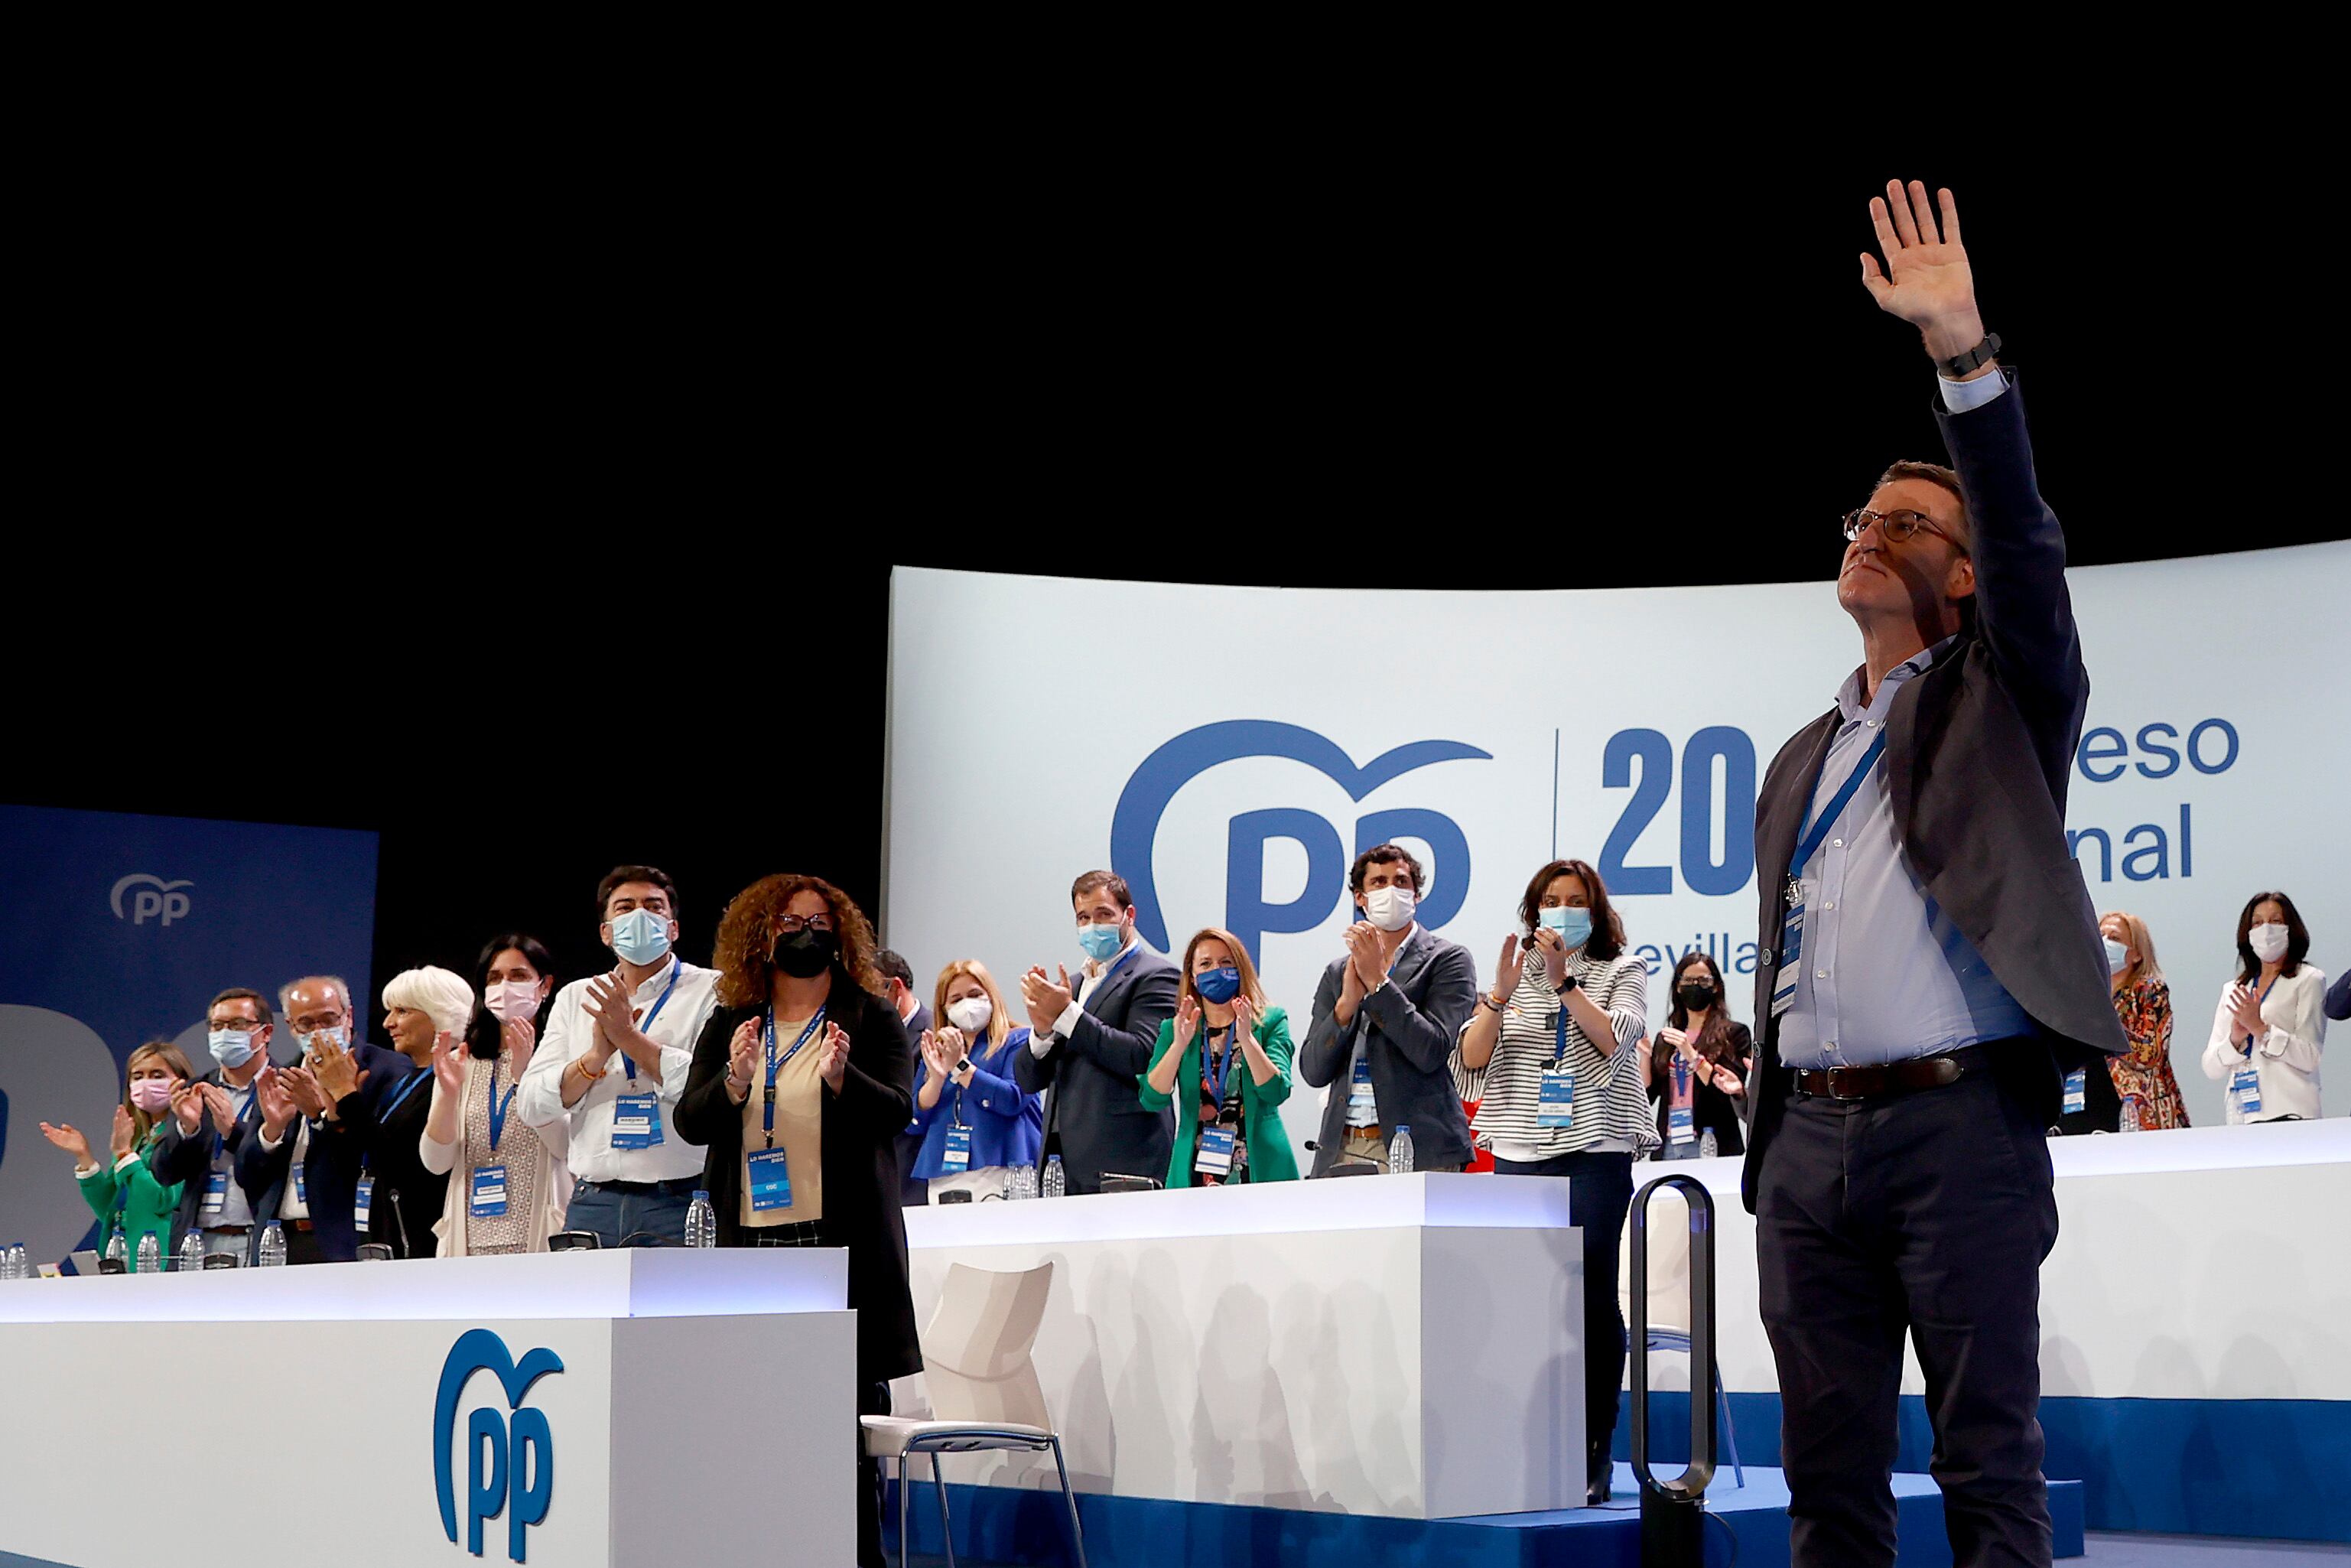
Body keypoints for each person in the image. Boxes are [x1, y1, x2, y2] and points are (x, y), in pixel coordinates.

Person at [1743, 182, 2130, 1568]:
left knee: (1984, 1473)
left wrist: (1962, 359)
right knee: (1824, 1491)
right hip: (1805, 1154)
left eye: (1907, 523)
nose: (1868, 530)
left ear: (1959, 580)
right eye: (1862, 513)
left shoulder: (2001, 693)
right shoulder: (1798, 753)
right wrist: (1775, 1133)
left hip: (1955, 1137)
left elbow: (2024, 545)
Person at [675, 873, 919, 1568]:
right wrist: (736, 1080)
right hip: (753, 1243)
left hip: (840, 1246)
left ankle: (852, 1554)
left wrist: (845, 1078)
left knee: (837, 1428)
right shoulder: (731, 1023)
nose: (806, 933)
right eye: (789, 922)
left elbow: (899, 1109)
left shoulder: (869, 1015)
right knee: (757, 1416)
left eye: (818, 921)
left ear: (840, 935)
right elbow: (690, 1122)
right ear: (762, 935)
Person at [1454, 857, 1650, 1502]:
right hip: (1519, 1151)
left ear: (1594, 910)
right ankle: (1533, 1443)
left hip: (1595, 1148)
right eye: (1551, 899)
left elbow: (1614, 1044)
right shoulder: (1515, 976)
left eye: (1575, 899)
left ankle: (1594, 1448)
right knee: (1530, 1300)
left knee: (1589, 1293)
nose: (1562, 910)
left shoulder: (1623, 970)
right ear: (1533, 911)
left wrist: (1567, 984)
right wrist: (1500, 996)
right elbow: (1472, 1061)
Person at [515, 866, 721, 1248]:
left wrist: (629, 1039)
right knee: (586, 1309)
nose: (640, 916)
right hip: (593, 1201)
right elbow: (531, 1105)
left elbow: (708, 1090)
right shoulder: (577, 997)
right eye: (625, 907)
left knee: (675, 1308)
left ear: (674, 928)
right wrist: (594, 1058)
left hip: (680, 1200)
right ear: (606, 933)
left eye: (653, 907)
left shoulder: (712, 989)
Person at [1299, 844, 1478, 1175]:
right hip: (1344, 1145)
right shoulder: (1338, 972)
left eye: (1401, 882)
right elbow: (1312, 1070)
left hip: (1418, 1145)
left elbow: (1432, 1050)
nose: (1391, 890)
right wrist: (1346, 1006)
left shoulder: (1447, 960)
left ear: (1416, 895)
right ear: (1360, 898)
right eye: (1378, 883)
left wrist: (1379, 985)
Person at [1012, 870, 1180, 1193]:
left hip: (1126, 1157)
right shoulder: (1071, 986)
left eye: (1104, 914)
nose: (1092, 926)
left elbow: (1143, 1056)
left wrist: (1067, 1016)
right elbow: (1028, 1080)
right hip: (1061, 1161)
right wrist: (1042, 1031)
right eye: (1083, 917)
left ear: (1128, 916)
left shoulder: (1156, 976)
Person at [242, 974, 418, 1262]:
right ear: (291, 1027)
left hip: (345, 1240)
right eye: (307, 1024)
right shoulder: (281, 1078)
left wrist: (322, 1116)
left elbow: (378, 1159)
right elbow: (245, 1173)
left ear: (348, 1017)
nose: (319, 1031)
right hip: (280, 1240)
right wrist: (271, 1132)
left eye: (329, 1019)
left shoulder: (386, 1069)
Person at [421, 935, 571, 1254]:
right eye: (494, 977)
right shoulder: (462, 1061)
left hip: (542, 1236)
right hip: (470, 1239)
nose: (505, 986)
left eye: (518, 976)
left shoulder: (563, 1057)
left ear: (544, 986)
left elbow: (567, 1147)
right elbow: (436, 1163)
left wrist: (525, 1078)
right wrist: (448, 1097)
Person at [1139, 926, 1298, 1188]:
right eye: (1205, 963)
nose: (1216, 970)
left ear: (1241, 968)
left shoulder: (1270, 1021)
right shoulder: (1176, 1028)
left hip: (1260, 1167)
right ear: (1192, 974)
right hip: (1195, 1170)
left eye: (1226, 962)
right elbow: (1153, 1098)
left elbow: (1275, 1092)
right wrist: (1179, 1045)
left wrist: (1246, 1039)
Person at [148, 987, 288, 1265]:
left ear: (266, 1032)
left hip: (259, 1238)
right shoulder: (196, 1090)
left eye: (237, 1025)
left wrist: (233, 1129)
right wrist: (188, 1130)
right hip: (196, 1240)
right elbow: (164, 1172)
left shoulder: (284, 1088)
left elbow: (278, 1165)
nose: (225, 1033)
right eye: (217, 1026)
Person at [39, 1042, 193, 1267]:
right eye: (137, 1076)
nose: (145, 1083)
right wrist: (84, 1157)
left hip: (158, 1255)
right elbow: (109, 1209)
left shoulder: (187, 1133)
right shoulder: (136, 1137)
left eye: (157, 1074)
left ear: (180, 1081)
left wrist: (125, 1156)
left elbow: (162, 1201)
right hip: (122, 1252)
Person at [905, 960, 1043, 1202]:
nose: (966, 1004)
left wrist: (961, 1067)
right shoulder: (937, 1051)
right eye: (956, 1000)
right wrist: (936, 1079)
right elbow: (914, 1122)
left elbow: (1013, 1099)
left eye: (974, 994)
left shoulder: (1019, 1041)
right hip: (943, 1176)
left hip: (1002, 1170)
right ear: (944, 1008)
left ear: (991, 997)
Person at [2200, 892, 2328, 1123]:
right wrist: (2235, 1040)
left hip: (2292, 1113)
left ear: (2291, 928)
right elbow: (2211, 1067)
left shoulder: (2308, 979)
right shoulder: (2234, 989)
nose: (2266, 929)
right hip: (2242, 1117)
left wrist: (2261, 1029)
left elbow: (2310, 1056)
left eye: (2276, 921)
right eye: (2257, 923)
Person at [1649, 951, 1754, 1160]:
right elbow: (1649, 1095)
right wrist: (1643, 1056)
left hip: (1712, 1140)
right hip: (1670, 1142)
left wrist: (1692, 1055)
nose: (1695, 985)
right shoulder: (1667, 1038)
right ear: (1678, 987)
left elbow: (1728, 1095)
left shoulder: (1734, 1034)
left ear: (1715, 986)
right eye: (1688, 980)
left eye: (1703, 980)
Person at [2099, 912, 2188, 1129]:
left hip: (2144, 1115)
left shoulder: (2150, 992)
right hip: (2093, 1109)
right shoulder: (2087, 998)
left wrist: (2105, 1024)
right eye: (2100, 935)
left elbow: (2149, 1054)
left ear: (2136, 954)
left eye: (2115, 938)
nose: (2104, 943)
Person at [879, 948, 935, 1209]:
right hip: (878, 1168)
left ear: (896, 987)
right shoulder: (868, 1035)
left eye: (872, 991)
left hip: (914, 1170)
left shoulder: (934, 1030)